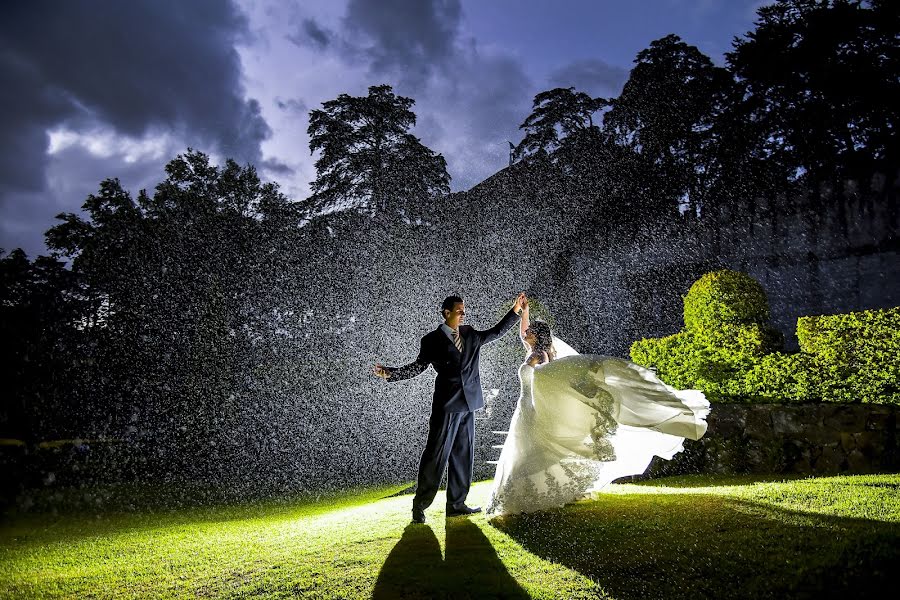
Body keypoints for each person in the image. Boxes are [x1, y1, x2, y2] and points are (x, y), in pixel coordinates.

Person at [485, 300, 710, 517]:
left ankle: (530, 494)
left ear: (538, 336)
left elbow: (551, 378)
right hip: (526, 406)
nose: (526, 333)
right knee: (527, 448)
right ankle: (530, 491)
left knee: (532, 448)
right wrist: (524, 312)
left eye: (531, 331)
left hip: (532, 406)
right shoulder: (534, 349)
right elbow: (523, 333)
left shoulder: (539, 355)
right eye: (528, 331)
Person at [374, 293, 527, 524]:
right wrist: (391, 373)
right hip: (446, 406)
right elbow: (418, 367)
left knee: (463, 455)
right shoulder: (431, 340)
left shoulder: (470, 334)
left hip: (469, 404)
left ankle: (456, 504)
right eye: (459, 310)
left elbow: (496, 332)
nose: (463, 313)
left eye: (464, 309)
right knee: (436, 455)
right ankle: (420, 506)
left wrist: (516, 310)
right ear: (447, 313)